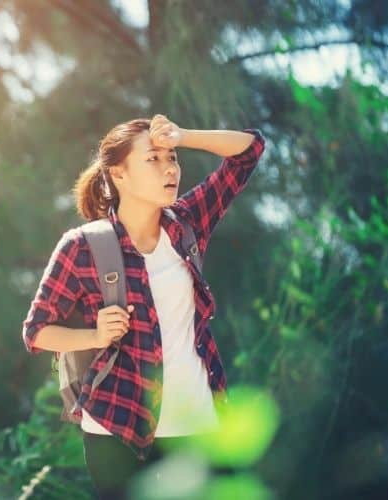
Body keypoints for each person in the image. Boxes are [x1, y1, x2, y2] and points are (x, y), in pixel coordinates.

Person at [21, 114, 266, 499]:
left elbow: (250, 150)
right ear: (119, 174)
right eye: (153, 159)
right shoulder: (83, 246)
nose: (169, 169)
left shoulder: (187, 223)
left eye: (172, 158)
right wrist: (96, 335)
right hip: (118, 431)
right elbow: (36, 332)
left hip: (197, 423)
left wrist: (183, 136)